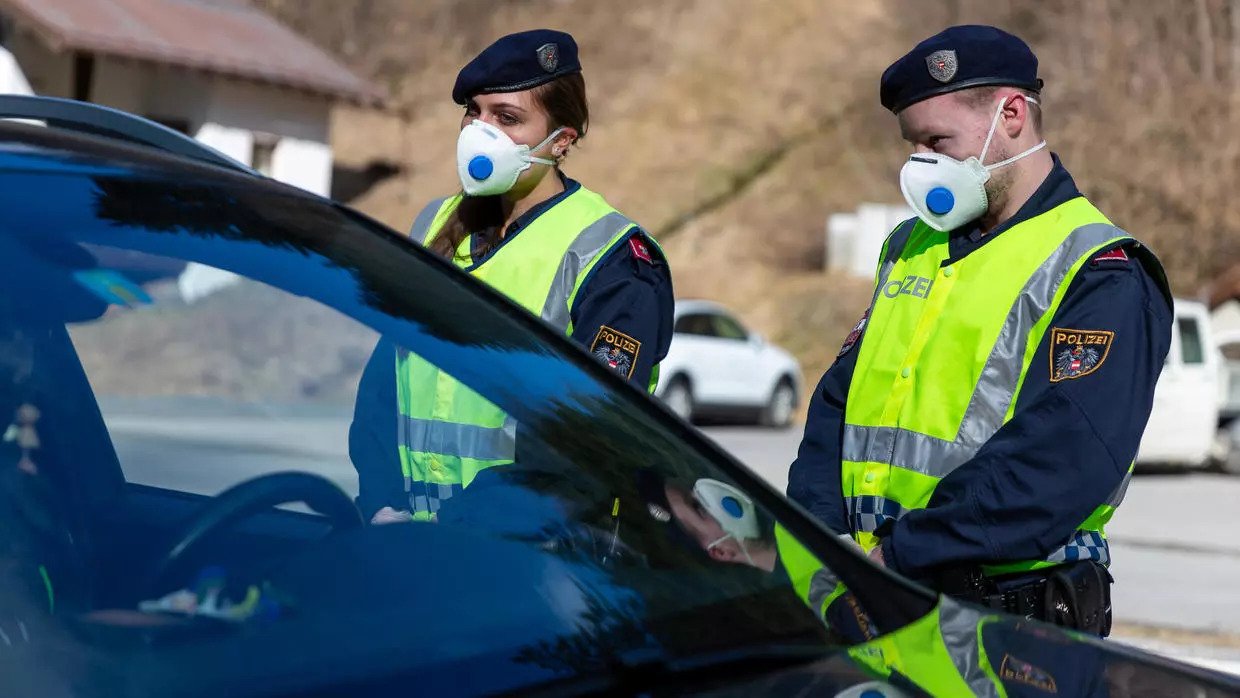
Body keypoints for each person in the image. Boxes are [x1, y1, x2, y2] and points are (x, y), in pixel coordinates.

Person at [786, 25, 1173, 636]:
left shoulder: (1100, 271)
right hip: (876, 600)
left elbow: (1058, 462)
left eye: (939, 141)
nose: (922, 165)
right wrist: (816, 540)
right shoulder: (912, 246)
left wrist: (898, 555)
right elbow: (840, 401)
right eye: (913, 146)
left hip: (1007, 620)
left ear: (1011, 115)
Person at [350, 29, 674, 524]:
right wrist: (378, 504)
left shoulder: (612, 259)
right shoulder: (435, 224)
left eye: (507, 118)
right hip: (411, 541)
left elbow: (584, 444)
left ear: (562, 141)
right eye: (474, 113)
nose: (481, 131)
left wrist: (459, 531)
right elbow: (383, 389)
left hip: (538, 562)